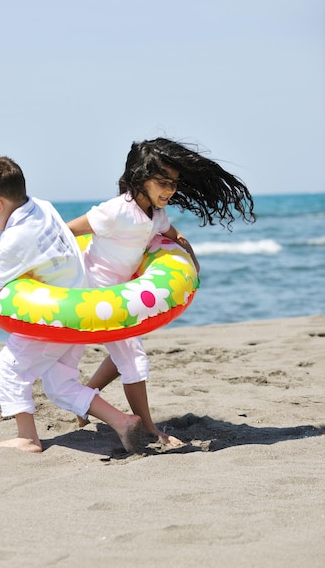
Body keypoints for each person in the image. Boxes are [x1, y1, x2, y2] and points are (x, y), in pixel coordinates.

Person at [67, 137, 256, 446]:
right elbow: (67, 231)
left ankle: (90, 395)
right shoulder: (116, 211)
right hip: (94, 294)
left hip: (119, 293)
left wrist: (192, 259)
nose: (170, 190)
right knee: (134, 360)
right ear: (140, 178)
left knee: (123, 356)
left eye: (174, 183)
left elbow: (175, 234)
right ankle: (150, 429)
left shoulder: (155, 214)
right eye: (163, 182)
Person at [0, 156, 143, 453]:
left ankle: (28, 438)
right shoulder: (42, 206)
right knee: (59, 384)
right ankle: (123, 422)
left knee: (8, 369)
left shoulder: (15, 238)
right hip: (77, 310)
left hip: (54, 321)